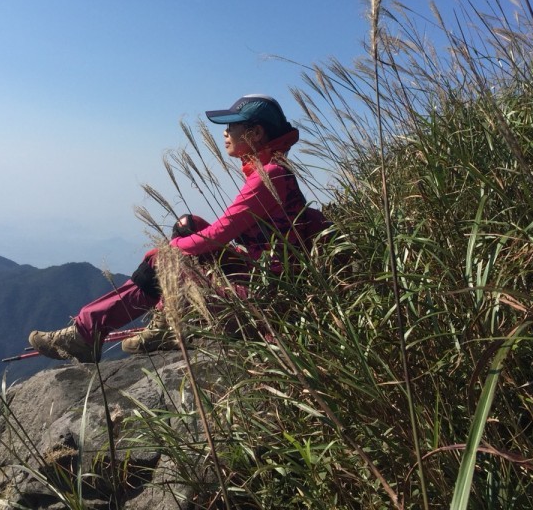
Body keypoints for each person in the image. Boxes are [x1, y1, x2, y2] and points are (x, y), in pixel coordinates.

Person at [28, 94, 329, 363]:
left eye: (232, 125)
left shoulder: (269, 176)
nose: (225, 132)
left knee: (169, 258)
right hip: (265, 276)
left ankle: (90, 333)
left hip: (265, 292)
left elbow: (221, 234)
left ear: (256, 133)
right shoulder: (272, 170)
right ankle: (143, 325)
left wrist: (169, 251)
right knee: (188, 226)